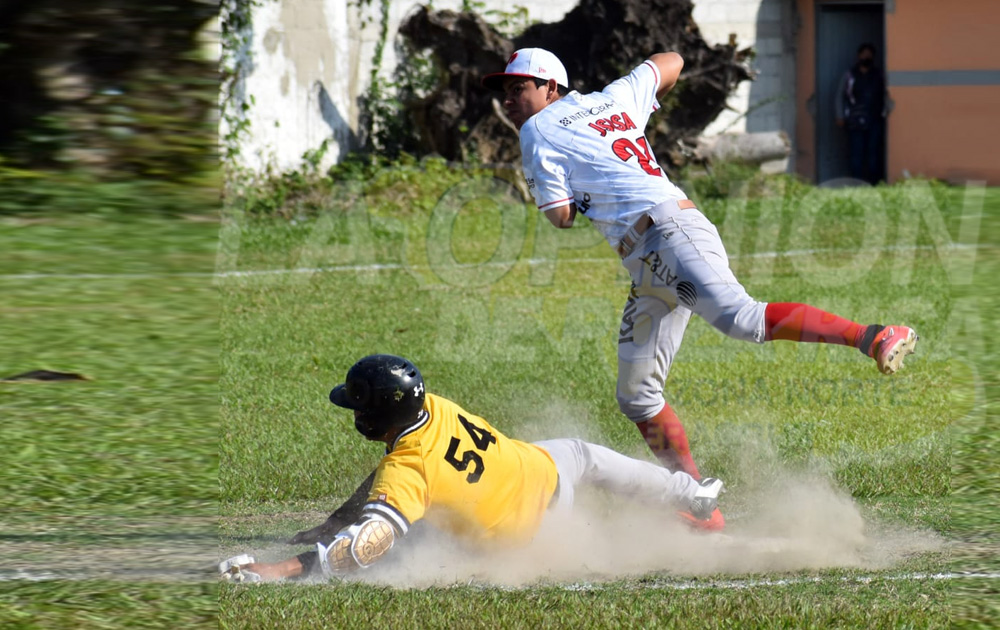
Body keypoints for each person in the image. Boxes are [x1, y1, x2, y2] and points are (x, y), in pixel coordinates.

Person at [478, 48, 918, 531]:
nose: (510, 98)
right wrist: (633, 111)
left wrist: (572, 184)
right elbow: (671, 60)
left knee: (741, 318)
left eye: (519, 87)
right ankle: (697, 502)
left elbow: (560, 217)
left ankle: (873, 335)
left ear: (551, 88)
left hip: (667, 234)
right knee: (638, 396)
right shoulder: (613, 97)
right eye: (506, 90)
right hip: (650, 258)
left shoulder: (537, 130)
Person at [219, 354, 724, 582]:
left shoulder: (407, 472)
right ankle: (690, 493)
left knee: (405, 543)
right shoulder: (430, 406)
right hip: (544, 470)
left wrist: (279, 569)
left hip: (537, 531)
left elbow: (364, 547)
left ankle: (642, 533)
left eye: (356, 406)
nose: (353, 413)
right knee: (586, 454)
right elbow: (386, 478)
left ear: (375, 416)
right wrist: (338, 518)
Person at [835, 43, 892, 184]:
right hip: (855, 120)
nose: (867, 56)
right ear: (858, 55)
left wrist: (886, 113)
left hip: (875, 119)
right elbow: (839, 96)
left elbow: (887, 95)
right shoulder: (849, 75)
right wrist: (840, 115)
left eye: (869, 54)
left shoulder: (879, 75)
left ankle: (874, 183)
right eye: (864, 53)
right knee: (856, 154)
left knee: (873, 153)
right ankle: (856, 183)